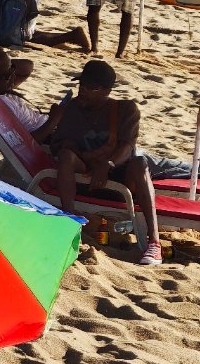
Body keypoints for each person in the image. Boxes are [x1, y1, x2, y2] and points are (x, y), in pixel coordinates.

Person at [0, 41, 200, 184]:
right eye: (5, 73)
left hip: (63, 130)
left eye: (11, 71)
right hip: (59, 141)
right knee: (139, 157)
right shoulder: (1, 100)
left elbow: (26, 66)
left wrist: (4, 65)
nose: (12, 76)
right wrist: (57, 118)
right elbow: (32, 142)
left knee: (129, 147)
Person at [44, 59, 164, 265]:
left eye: (92, 88)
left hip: (118, 172)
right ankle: (70, 221)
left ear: (107, 91)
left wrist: (107, 165)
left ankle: (154, 242)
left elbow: (127, 147)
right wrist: (90, 162)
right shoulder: (72, 109)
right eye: (82, 85)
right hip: (84, 173)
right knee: (65, 156)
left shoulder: (125, 110)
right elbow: (61, 146)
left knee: (142, 163)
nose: (84, 91)